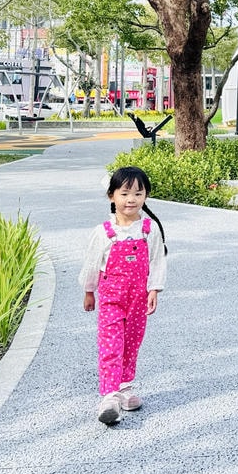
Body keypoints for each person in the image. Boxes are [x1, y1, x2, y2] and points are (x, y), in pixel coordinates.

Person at [78, 165, 168, 425]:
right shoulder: (105, 232)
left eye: (138, 194)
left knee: (132, 341)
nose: (131, 200)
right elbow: (92, 262)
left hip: (139, 297)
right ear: (111, 196)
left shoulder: (149, 230)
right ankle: (109, 396)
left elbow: (158, 260)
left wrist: (154, 289)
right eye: (125, 193)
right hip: (111, 299)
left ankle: (125, 386)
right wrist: (88, 291)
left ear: (146, 197)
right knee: (111, 343)